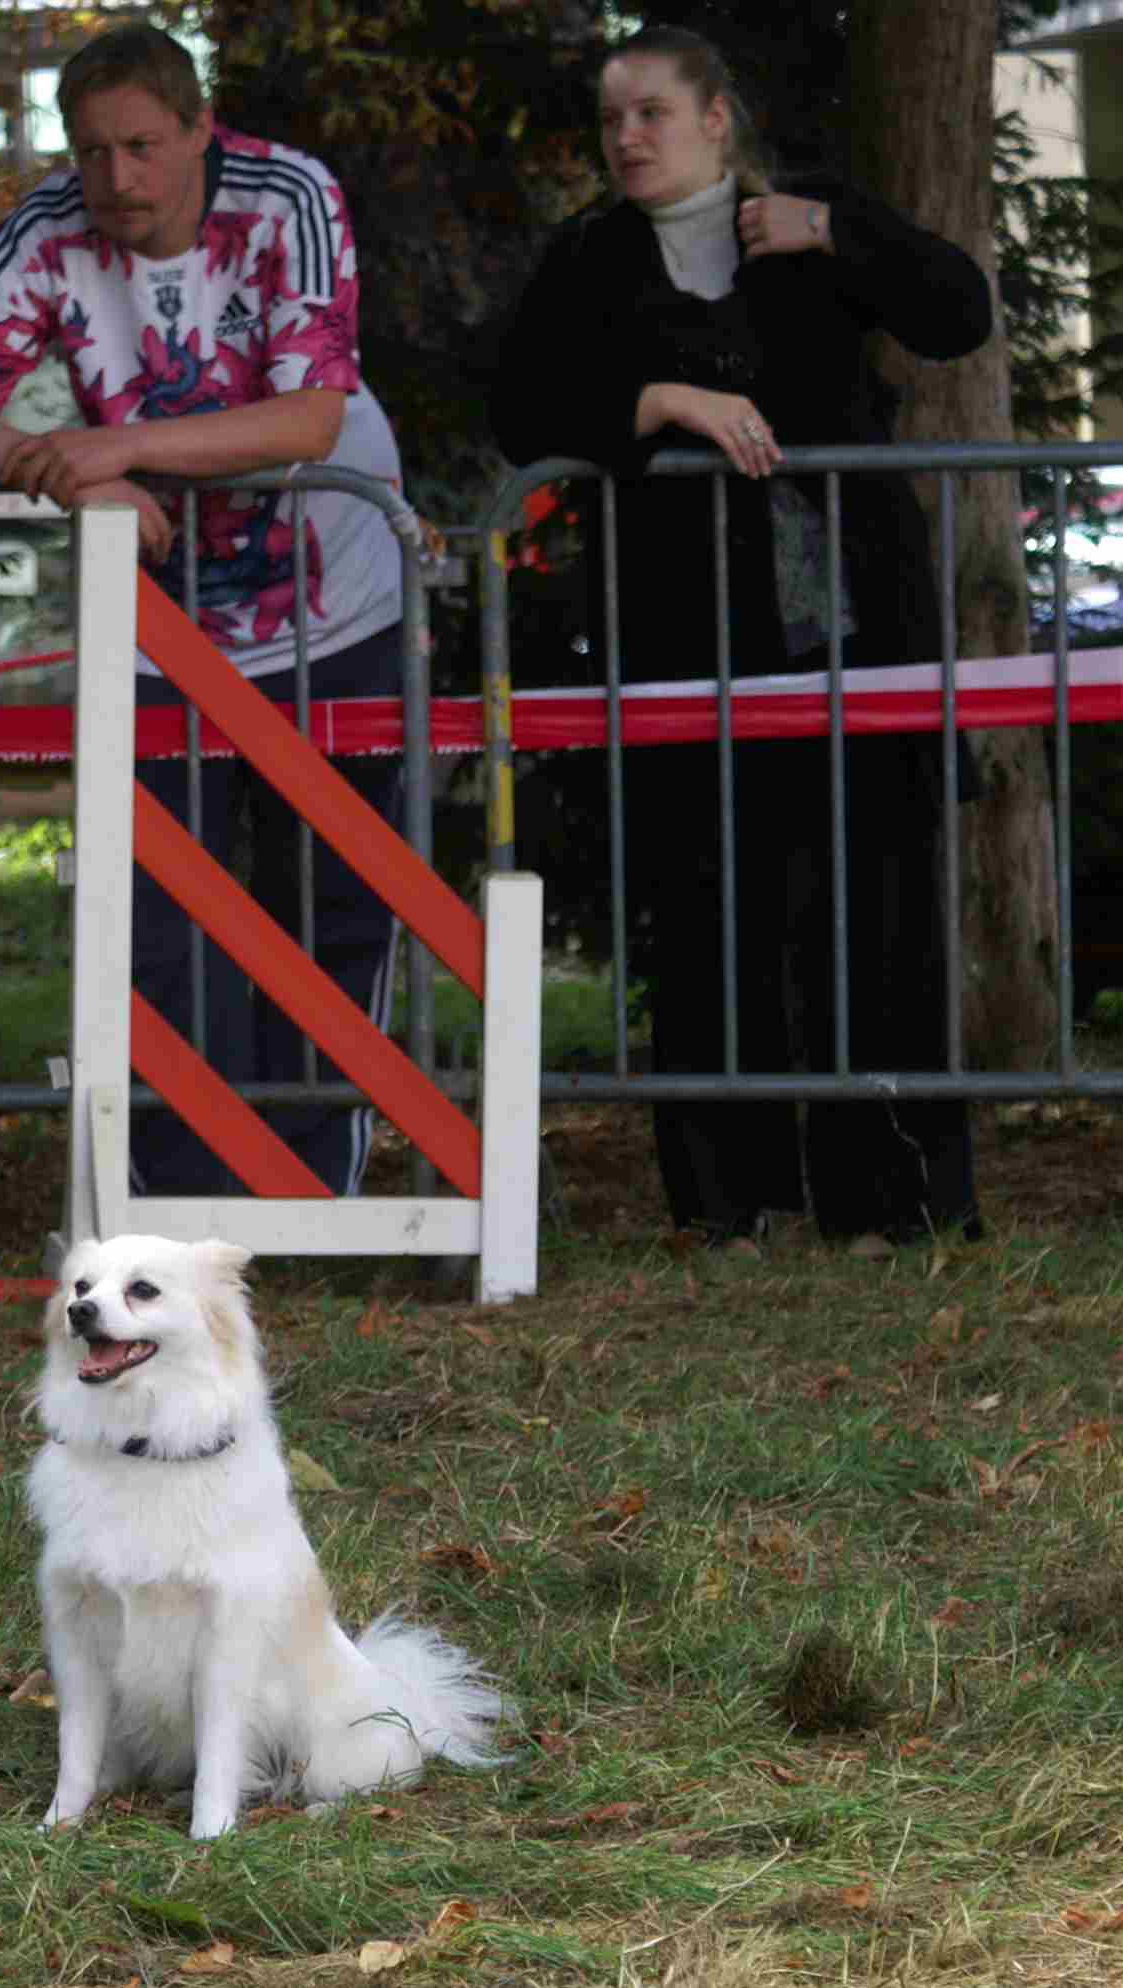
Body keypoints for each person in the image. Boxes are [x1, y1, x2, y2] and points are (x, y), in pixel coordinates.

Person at [490, 23, 993, 1249]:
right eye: (609, 119)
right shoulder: (591, 258)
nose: (625, 138)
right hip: (685, 633)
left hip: (853, 621)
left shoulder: (809, 217)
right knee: (708, 901)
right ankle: (732, 1199)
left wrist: (835, 233)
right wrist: (657, 401)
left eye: (650, 113)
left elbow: (957, 313)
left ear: (714, 119)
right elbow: (519, 406)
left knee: (876, 899)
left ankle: (893, 1196)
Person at [0, 21, 406, 1197]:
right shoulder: (46, 223)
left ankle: (311, 1188)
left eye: (141, 146)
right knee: (156, 912)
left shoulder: (287, 195)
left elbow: (308, 418)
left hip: (332, 597)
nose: (115, 176)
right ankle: (179, 1201)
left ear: (198, 130)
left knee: (327, 900)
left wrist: (110, 447)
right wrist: (54, 468)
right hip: (158, 622)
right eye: (90, 151)